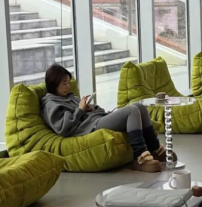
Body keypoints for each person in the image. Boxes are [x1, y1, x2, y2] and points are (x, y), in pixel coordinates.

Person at [40, 64, 169, 173]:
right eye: (64, 83)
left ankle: (155, 149)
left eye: (68, 83)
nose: (68, 86)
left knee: (140, 107)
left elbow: (84, 112)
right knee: (132, 111)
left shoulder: (70, 96)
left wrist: (90, 108)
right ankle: (140, 157)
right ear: (54, 83)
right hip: (90, 127)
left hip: (97, 119)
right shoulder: (51, 104)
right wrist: (80, 110)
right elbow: (63, 128)